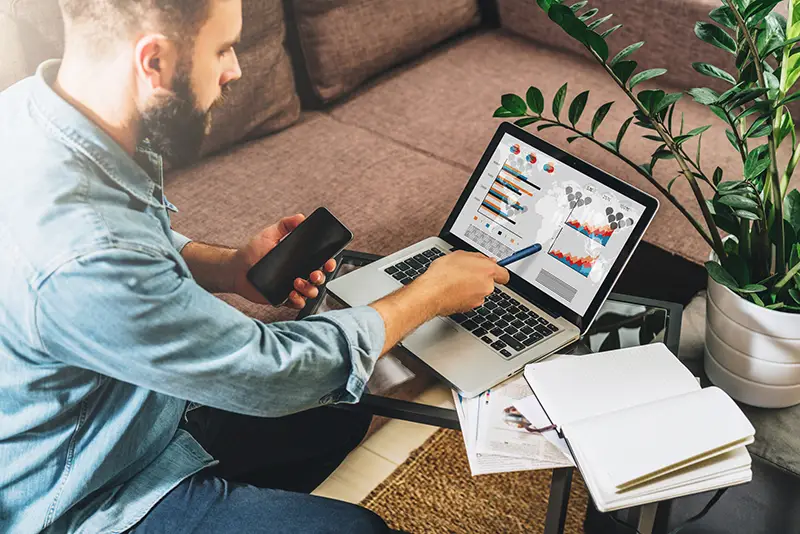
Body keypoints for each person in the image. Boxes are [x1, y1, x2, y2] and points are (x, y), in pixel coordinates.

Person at [0, 0, 510, 532]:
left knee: (337, 411)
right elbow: (270, 371)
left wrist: (230, 269)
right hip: (83, 492)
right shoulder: (85, 252)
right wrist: (428, 295)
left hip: (132, 414)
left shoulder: (28, 113)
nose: (235, 70)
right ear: (152, 61)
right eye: (222, 49)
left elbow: (135, 244)